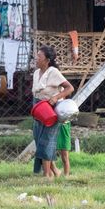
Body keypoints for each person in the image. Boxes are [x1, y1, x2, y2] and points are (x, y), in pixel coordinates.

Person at [32, 45, 74, 179]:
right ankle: (54, 171)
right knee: (39, 140)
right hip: (38, 110)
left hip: (50, 110)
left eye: (39, 56)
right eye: (37, 55)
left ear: (47, 60)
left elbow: (69, 88)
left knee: (47, 141)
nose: (36, 58)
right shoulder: (36, 73)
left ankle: (47, 175)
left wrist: (55, 97)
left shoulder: (53, 72)